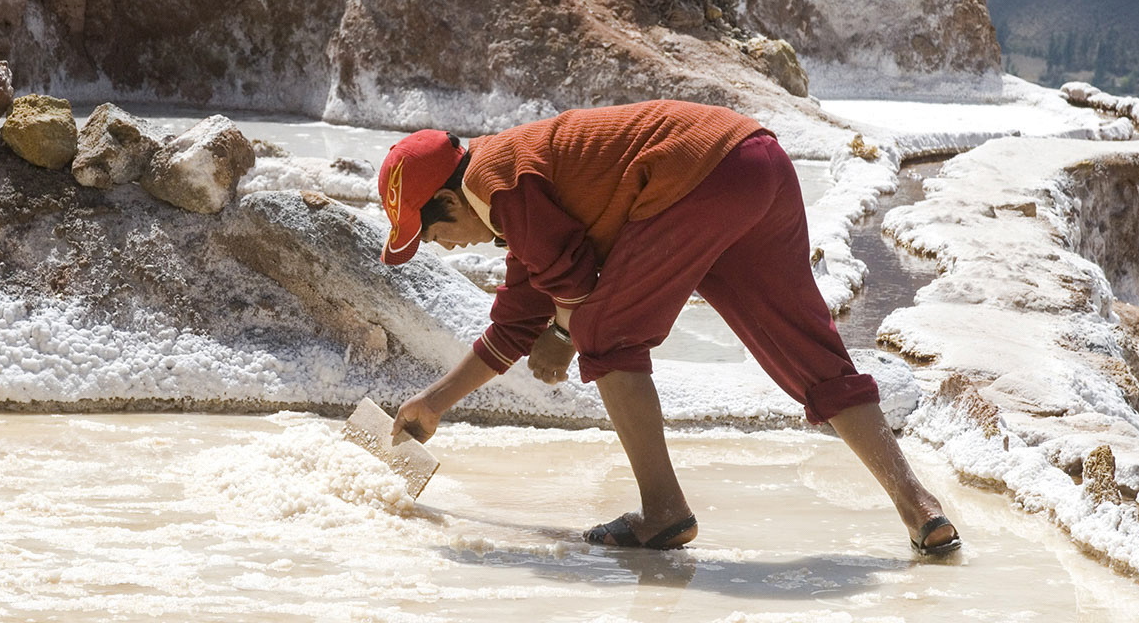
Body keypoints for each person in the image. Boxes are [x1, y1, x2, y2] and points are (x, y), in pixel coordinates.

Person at [379, 99, 960, 555]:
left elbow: (574, 288)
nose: (444, 248)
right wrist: (433, 404)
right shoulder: (509, 187)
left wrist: (561, 336)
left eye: (431, 235)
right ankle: (919, 508)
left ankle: (663, 511)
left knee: (605, 333)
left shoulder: (496, 183)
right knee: (809, 352)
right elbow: (516, 319)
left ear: (449, 203)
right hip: (756, 161)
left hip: (697, 176)